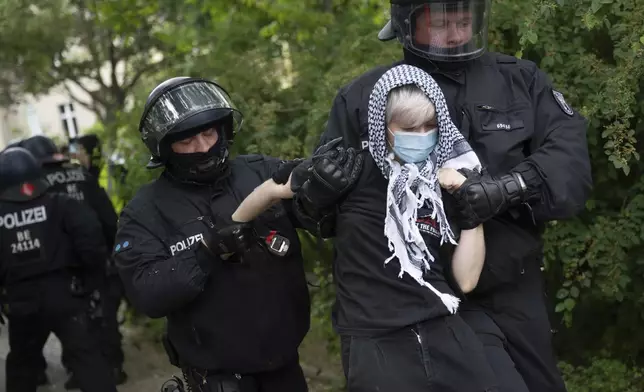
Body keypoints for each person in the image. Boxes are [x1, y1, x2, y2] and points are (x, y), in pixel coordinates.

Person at [296, 1, 593, 391]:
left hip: (508, 289)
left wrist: (507, 189)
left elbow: (569, 162)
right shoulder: (365, 97)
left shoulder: (521, 81)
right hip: (416, 305)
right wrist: (318, 196)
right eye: (440, 22)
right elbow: (318, 214)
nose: (455, 34)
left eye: (464, 20)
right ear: (406, 24)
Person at [113, 76, 364, 392]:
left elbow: (320, 221)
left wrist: (322, 195)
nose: (203, 147)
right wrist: (206, 252)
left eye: (208, 133)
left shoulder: (259, 172)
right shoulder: (145, 210)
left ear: (224, 130)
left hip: (285, 370)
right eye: (187, 141)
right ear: (164, 148)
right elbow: (147, 293)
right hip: (216, 380)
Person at [0, 147, 117, 392]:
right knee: (88, 360)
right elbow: (92, 243)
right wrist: (91, 283)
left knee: (22, 367)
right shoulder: (62, 204)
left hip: (22, 303)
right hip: (67, 295)